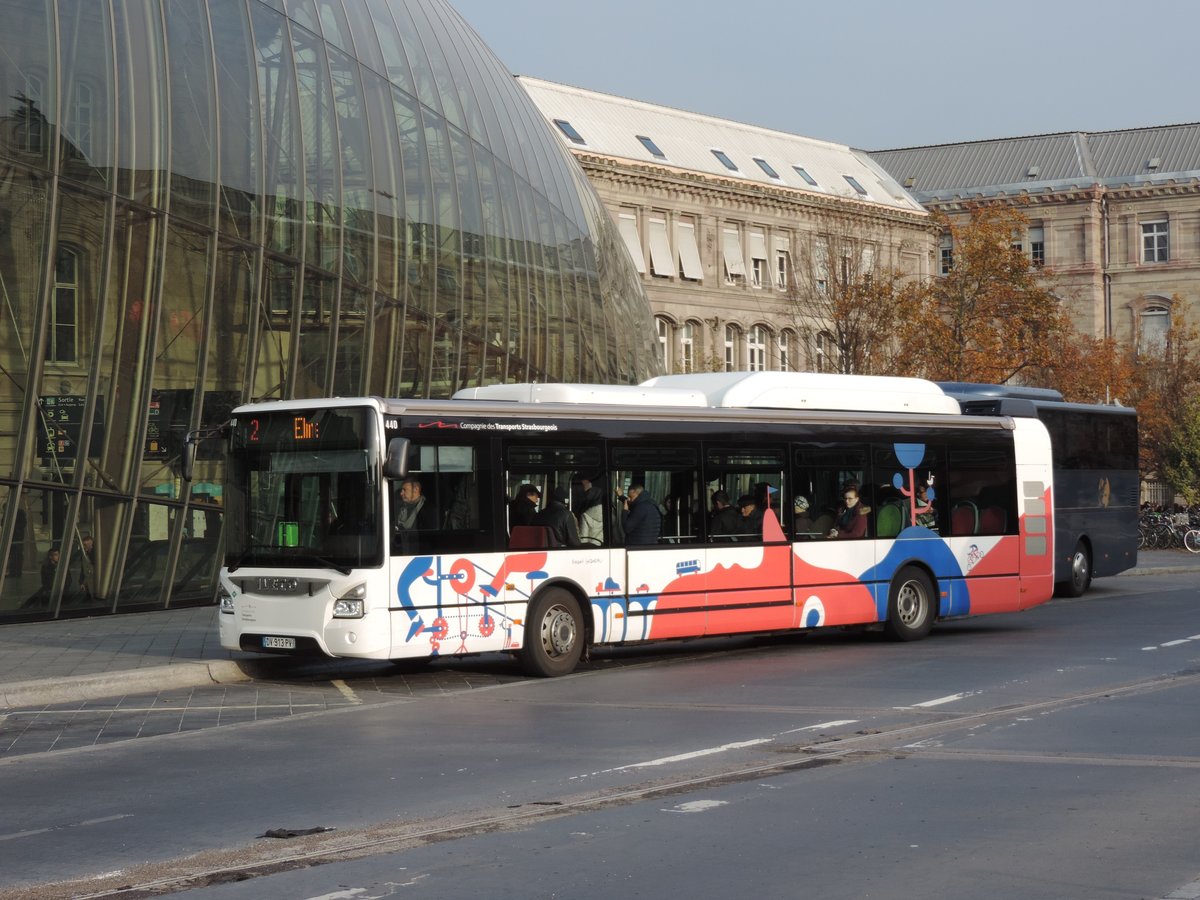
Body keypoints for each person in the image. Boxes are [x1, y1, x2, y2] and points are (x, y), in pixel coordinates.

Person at [394, 477, 437, 548]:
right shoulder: (400, 509)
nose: (401, 493)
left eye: (404, 490)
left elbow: (431, 537)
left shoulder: (429, 510)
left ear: (416, 489)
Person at [576, 476, 605, 546]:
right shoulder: (610, 514)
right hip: (605, 548)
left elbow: (583, 538)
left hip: (591, 548)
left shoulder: (586, 515)